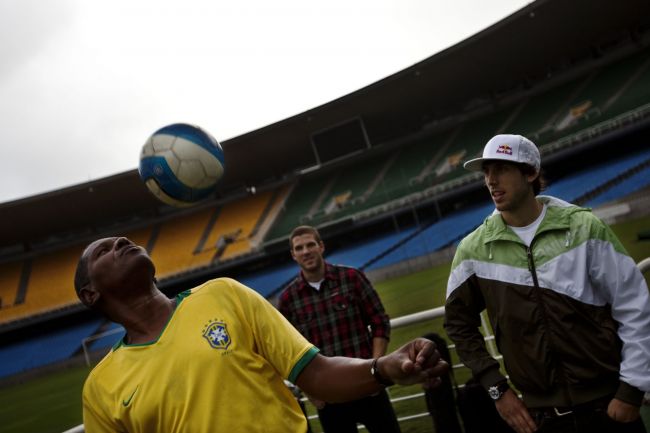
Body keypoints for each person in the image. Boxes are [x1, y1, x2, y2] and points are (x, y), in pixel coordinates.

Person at [74, 236, 449, 433]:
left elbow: (315, 373)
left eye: (121, 239)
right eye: (103, 250)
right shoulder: (101, 387)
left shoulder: (224, 294)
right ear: (91, 294)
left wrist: (385, 367)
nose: (120, 241)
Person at [444, 134, 650, 433]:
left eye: (500, 169)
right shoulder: (472, 250)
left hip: (610, 406)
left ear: (530, 173)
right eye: (486, 172)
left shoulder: (584, 228)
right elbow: (457, 324)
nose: (491, 180)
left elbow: (634, 306)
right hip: (540, 419)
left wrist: (631, 389)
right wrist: (496, 389)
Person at [278, 225, 401, 433]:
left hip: (366, 384)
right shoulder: (289, 299)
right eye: (299, 248)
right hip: (329, 397)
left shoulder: (352, 278)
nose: (306, 251)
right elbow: (286, 351)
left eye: (310, 245)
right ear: (293, 255)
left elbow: (380, 321)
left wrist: (375, 368)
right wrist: (311, 393)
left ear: (321, 246)